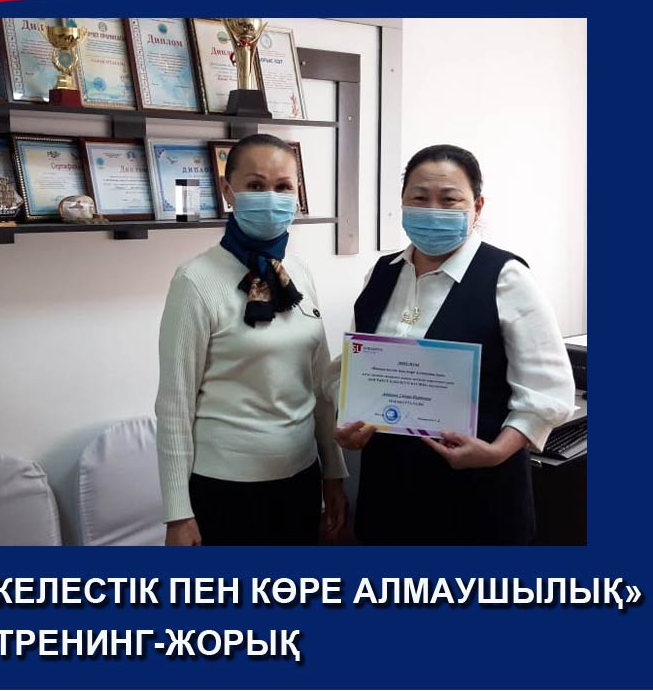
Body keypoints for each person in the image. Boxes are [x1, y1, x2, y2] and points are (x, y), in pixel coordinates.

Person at [332, 144, 575, 545]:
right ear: (402, 203)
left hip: (478, 495)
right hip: (389, 490)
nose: (433, 210)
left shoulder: (506, 277)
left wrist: (497, 452)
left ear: (477, 206)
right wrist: (348, 423)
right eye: (419, 198)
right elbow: (357, 368)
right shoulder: (381, 273)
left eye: (449, 200)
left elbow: (548, 391)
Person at [155, 133, 348, 546]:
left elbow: (318, 386)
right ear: (229, 191)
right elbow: (174, 404)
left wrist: (333, 472)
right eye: (256, 185)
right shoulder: (195, 280)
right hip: (226, 489)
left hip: (300, 479)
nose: (271, 198)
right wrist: (177, 513)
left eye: (283, 187)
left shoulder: (298, 270)